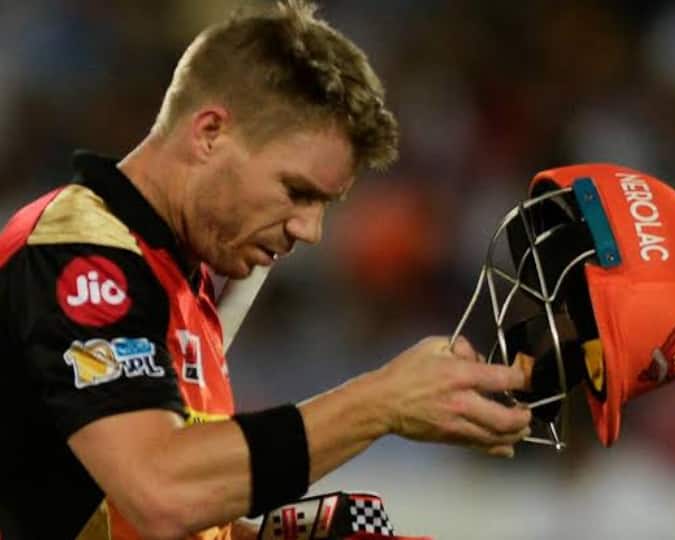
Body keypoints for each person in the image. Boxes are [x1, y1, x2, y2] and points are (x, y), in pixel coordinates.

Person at [0, 2, 531, 539]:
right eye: (297, 191)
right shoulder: (76, 255)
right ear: (209, 133)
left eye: (326, 204)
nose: (310, 230)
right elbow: (160, 492)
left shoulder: (179, 276)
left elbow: (132, 514)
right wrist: (381, 402)